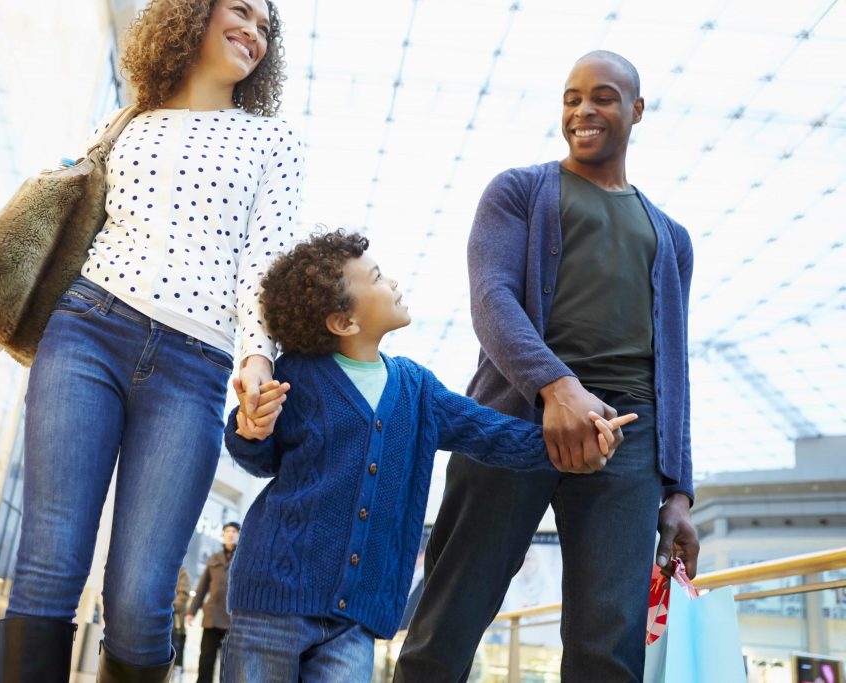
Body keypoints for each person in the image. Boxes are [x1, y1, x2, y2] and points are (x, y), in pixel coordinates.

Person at [0, 1, 302, 681]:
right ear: (194, 15)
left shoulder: (273, 141)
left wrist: (257, 355)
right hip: (86, 333)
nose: (254, 31)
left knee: (139, 598)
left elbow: (266, 258)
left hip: (194, 370)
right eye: (241, 11)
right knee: (49, 560)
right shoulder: (125, 121)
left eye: (266, 28)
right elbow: (44, 245)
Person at [393, 51, 700, 682]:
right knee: (446, 621)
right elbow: (492, 298)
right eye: (572, 97)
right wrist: (558, 388)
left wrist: (679, 491)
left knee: (609, 648)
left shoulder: (671, 237)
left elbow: (674, 364)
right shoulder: (519, 191)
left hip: (629, 437)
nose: (584, 110)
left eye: (604, 97)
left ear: (637, 110)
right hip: (511, 419)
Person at [217, 230, 635, 682]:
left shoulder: (417, 389)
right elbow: (259, 456)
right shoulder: (297, 376)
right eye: (377, 278)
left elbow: (490, 433)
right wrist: (249, 427)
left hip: (356, 619)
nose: (392, 282)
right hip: (270, 602)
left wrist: (572, 445)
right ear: (344, 322)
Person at [186, 522, 239, 683]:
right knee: (206, 662)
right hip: (211, 619)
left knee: (228, 666)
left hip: (232, 622)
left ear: (239, 535)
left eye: (234, 531)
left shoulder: (244, 560)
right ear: (223, 535)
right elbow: (202, 588)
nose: (230, 534)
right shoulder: (213, 559)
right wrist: (191, 611)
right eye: (227, 531)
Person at [172, 566, 190, 677]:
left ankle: (177, 671)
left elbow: (183, 594)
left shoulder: (182, 572)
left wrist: (169, 605)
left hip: (175, 617)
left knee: (176, 644)